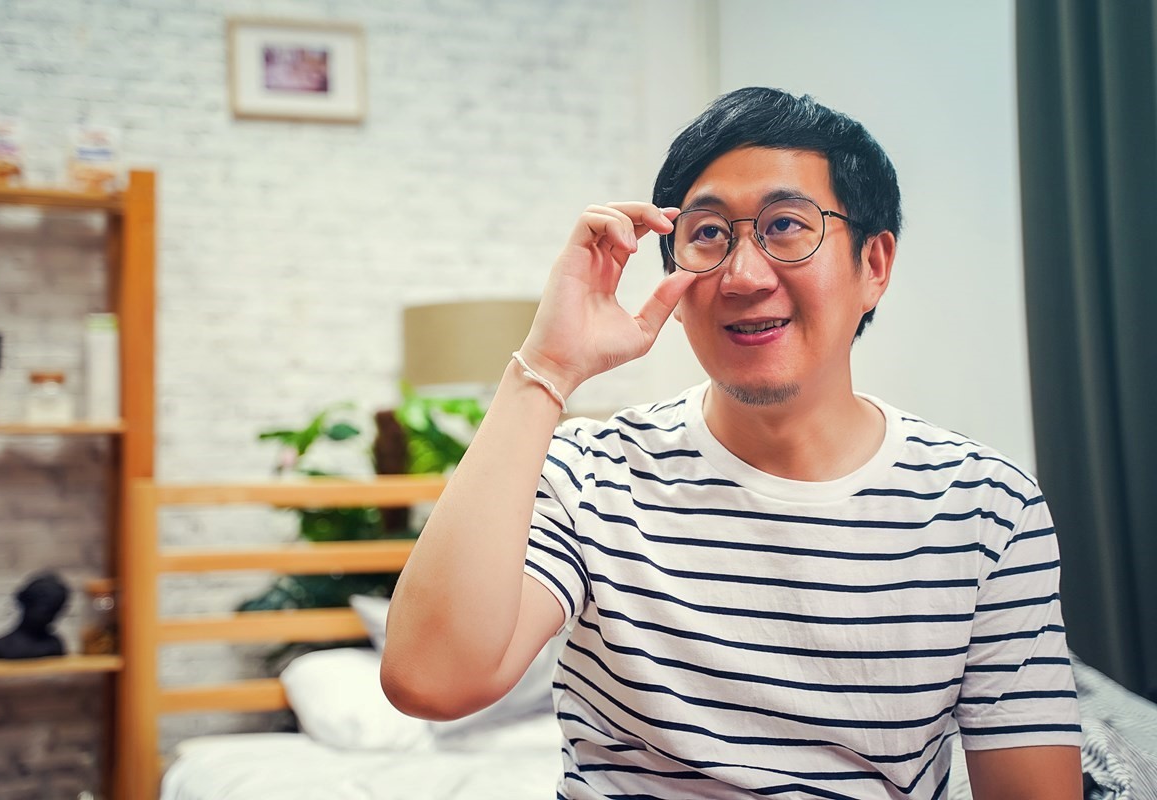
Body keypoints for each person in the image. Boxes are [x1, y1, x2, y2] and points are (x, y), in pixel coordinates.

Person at [382, 87, 1083, 799]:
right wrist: (548, 369)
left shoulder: (988, 507)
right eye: (709, 235)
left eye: (786, 226)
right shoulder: (591, 474)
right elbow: (430, 680)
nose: (745, 277)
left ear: (873, 265)